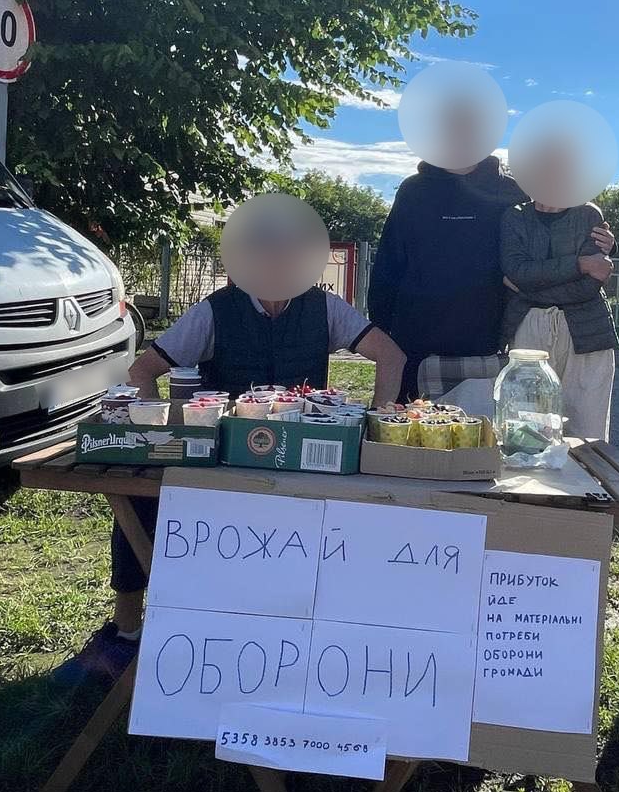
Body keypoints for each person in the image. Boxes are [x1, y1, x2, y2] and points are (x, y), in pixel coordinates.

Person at [55, 282, 405, 684]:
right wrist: (166, 429)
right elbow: (143, 370)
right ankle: (127, 633)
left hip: (299, 462)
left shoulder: (325, 307)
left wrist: (374, 424)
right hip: (222, 461)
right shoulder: (215, 310)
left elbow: (390, 355)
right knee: (137, 499)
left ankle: (320, 634)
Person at [368, 154, 528, 407]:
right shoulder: (413, 191)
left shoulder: (513, 192)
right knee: (409, 425)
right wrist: (381, 328)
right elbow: (389, 263)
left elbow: (540, 247)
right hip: (414, 344)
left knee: (481, 426)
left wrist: (595, 238)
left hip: (487, 345)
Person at [500, 199, 617, 440]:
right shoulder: (515, 216)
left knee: (586, 433)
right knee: (529, 430)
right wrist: (580, 264)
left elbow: (590, 285)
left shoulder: (589, 214)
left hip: (587, 331)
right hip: (529, 327)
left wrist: (528, 288)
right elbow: (518, 271)